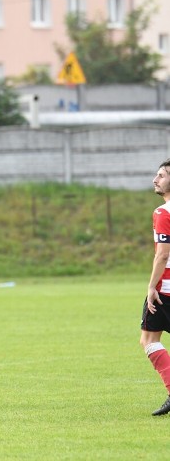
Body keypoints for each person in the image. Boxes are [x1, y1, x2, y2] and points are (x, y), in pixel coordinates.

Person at [141, 158, 170, 416]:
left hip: (166, 290)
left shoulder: (163, 213)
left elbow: (162, 254)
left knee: (149, 340)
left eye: (161, 175)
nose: (155, 179)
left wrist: (152, 286)